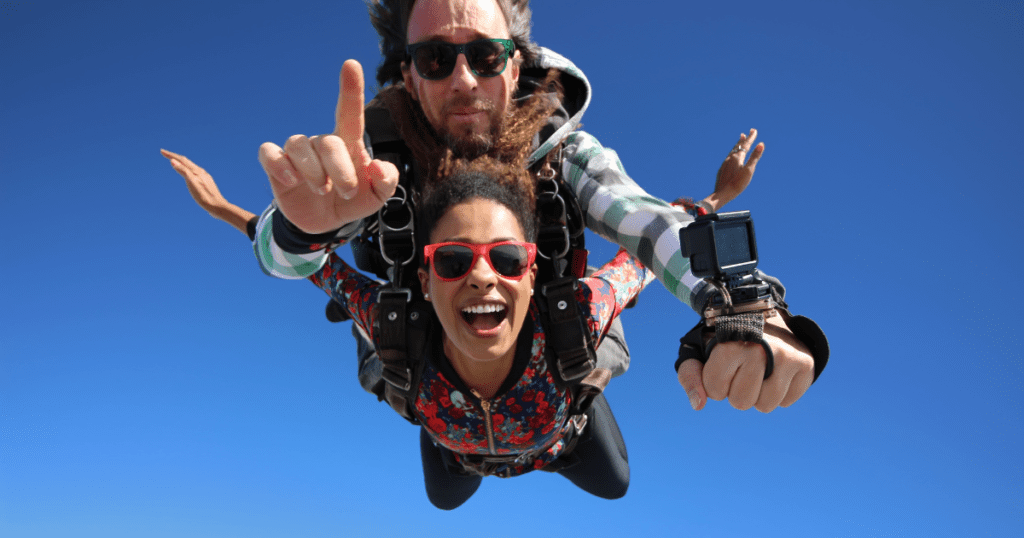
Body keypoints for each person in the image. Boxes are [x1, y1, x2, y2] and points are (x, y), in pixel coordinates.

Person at [252, 0, 823, 415]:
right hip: (431, 377)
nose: (463, 79)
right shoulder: (375, 168)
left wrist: (739, 302)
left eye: (485, 55)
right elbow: (286, 259)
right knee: (447, 479)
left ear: (517, 65)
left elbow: (643, 222)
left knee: (610, 475)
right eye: (434, 59)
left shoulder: (562, 151)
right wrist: (305, 230)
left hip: (559, 377)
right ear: (407, 74)